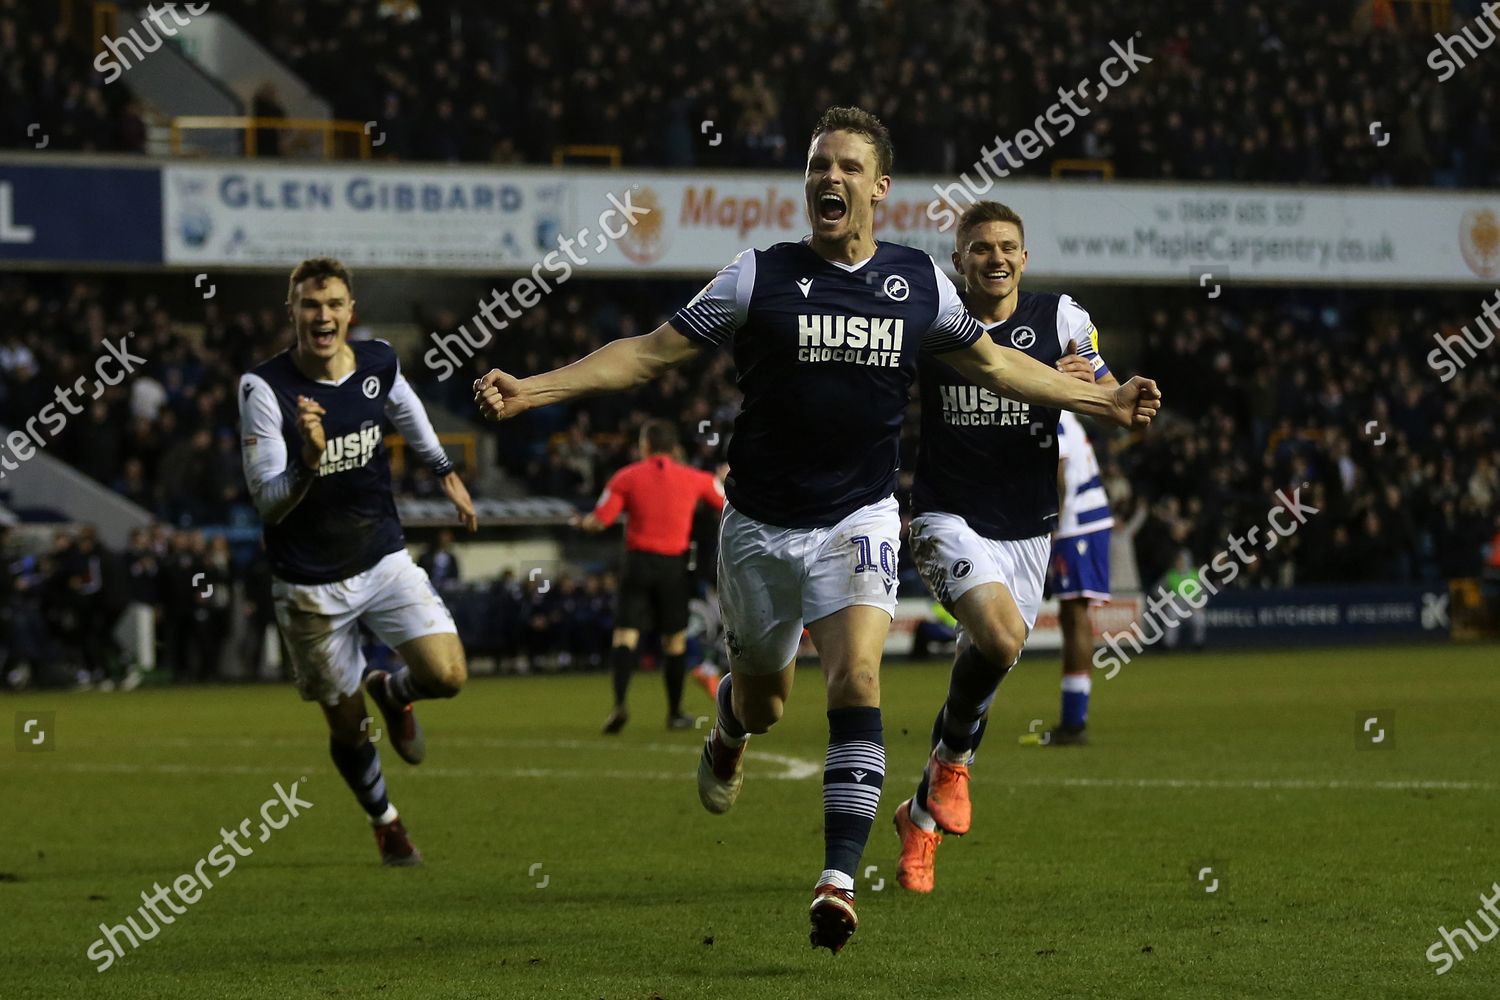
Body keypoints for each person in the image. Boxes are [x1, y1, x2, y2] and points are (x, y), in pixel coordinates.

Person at [474, 106, 1160, 952]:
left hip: (861, 517)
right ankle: (729, 728)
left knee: (857, 681)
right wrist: (532, 390)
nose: (828, 179)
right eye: (817, 166)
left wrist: (1105, 397)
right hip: (759, 525)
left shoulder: (918, 284)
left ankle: (837, 880)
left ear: (879, 187)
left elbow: (994, 363)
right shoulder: (757, 276)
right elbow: (650, 352)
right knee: (764, 695)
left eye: (846, 167)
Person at [892, 201, 1118, 893]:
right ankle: (952, 771)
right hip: (944, 514)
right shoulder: (933, 318)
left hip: (1026, 528)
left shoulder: (1063, 320)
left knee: (991, 663)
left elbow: (1107, 391)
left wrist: (1113, 393)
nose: (996, 258)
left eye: (1008, 247)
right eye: (981, 248)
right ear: (958, 261)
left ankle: (922, 818)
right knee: (997, 638)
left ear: (1025, 258)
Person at [239, 257, 478, 866]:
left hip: (381, 556)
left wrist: (445, 471)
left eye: (333, 305)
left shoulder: (377, 362)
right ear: (292, 312)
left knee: (448, 676)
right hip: (309, 585)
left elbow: (407, 409)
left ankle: (393, 691)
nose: (322, 317)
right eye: (310, 305)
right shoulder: (264, 389)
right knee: (347, 728)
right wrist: (308, 463)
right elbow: (267, 503)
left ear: (350, 311)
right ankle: (386, 822)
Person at [574, 419, 726, 733]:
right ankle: (674, 713)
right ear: (673, 447)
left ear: (644, 446)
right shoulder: (696, 478)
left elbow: (601, 520)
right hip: (674, 566)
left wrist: (581, 522)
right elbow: (727, 503)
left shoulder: (626, 477)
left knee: (625, 635)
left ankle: (619, 704)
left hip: (637, 563)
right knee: (674, 640)